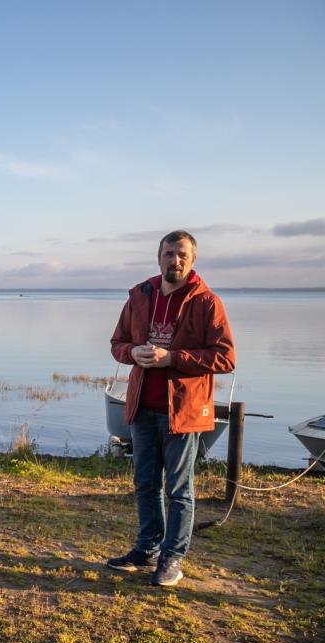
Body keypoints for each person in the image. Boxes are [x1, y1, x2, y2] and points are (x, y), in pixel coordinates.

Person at [107, 230, 235, 587]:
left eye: (182, 254)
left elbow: (225, 357)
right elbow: (118, 343)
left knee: (179, 490)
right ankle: (146, 548)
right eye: (168, 254)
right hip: (142, 409)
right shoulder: (139, 295)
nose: (174, 261)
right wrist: (132, 353)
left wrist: (172, 358)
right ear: (158, 256)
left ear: (193, 260)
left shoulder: (207, 302)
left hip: (183, 412)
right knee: (145, 485)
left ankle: (172, 558)